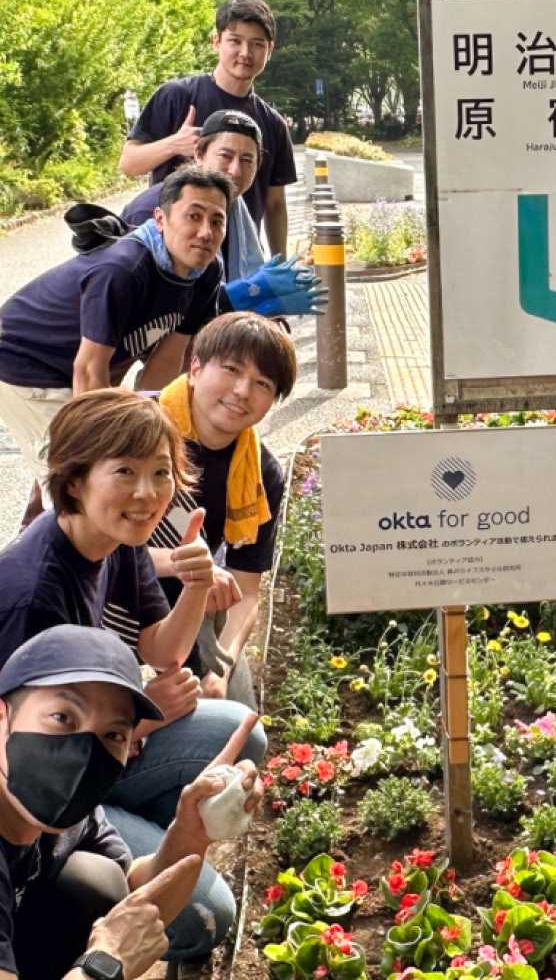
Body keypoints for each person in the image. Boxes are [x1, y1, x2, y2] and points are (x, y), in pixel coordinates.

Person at [0, 388, 266, 962]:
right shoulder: (31, 596)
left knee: (241, 728)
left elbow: (161, 648)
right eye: (124, 471)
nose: (147, 494)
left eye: (160, 473)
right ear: (74, 481)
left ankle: (101, 840)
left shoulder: (114, 541)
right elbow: (33, 746)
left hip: (80, 765)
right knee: (201, 916)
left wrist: (195, 586)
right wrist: (144, 715)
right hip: (31, 784)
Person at [0, 623, 263, 980]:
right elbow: (115, 954)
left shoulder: (69, 816)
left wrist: (192, 831)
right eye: (62, 718)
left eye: (112, 735)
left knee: (99, 882)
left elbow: (142, 894)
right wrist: (105, 964)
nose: (83, 753)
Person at [0, 166, 227, 489]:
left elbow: (168, 357)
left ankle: (36, 534)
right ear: (160, 219)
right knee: (79, 481)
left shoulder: (205, 271)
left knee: (111, 465)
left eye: (217, 220)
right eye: (193, 216)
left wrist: (146, 422)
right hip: (29, 363)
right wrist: (107, 448)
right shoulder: (122, 270)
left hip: (97, 364)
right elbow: (88, 369)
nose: (206, 232)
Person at [146, 312, 296, 706]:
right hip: (108, 602)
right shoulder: (137, 429)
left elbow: (246, 590)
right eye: (231, 369)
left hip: (194, 613)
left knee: (240, 724)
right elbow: (89, 548)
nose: (242, 391)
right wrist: (187, 565)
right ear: (194, 368)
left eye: (263, 383)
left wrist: (220, 671)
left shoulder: (260, 473)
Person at [120, 0, 297, 256]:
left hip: (240, 258)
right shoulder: (177, 96)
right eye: (235, 41)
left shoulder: (272, 123)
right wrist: (173, 145)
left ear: (269, 50)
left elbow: (275, 204)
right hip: (174, 254)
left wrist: (278, 263)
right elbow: (129, 163)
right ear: (216, 42)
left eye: (256, 44)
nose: (245, 53)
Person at [118, 109, 327, 317]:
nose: (235, 170)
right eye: (225, 156)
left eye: (247, 160)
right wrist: (249, 293)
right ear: (199, 154)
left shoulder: (232, 204)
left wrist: (265, 309)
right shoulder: (158, 206)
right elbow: (164, 304)